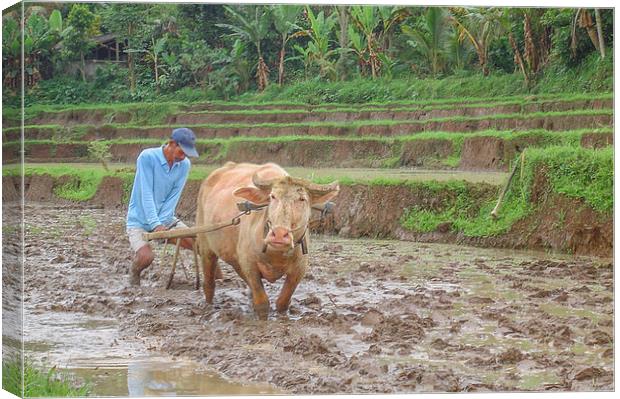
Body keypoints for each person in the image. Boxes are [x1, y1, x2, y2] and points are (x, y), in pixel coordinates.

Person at [126, 127, 199, 286]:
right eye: (182, 152)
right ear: (171, 144)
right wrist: (155, 224)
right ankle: (134, 272)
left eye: (187, 154)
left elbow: (174, 196)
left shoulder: (184, 165)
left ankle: (219, 280)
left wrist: (164, 222)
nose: (184, 157)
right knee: (146, 257)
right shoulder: (147, 157)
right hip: (139, 220)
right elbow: (146, 193)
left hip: (165, 219)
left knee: (199, 244)